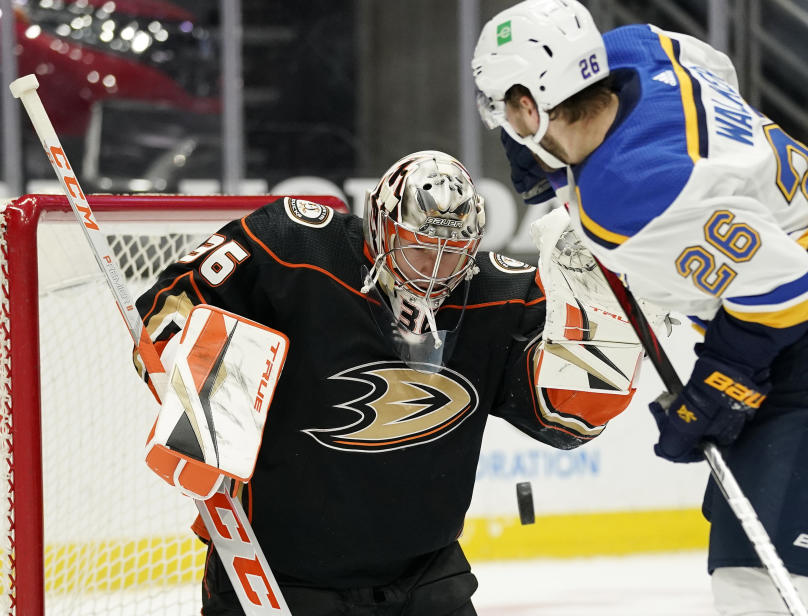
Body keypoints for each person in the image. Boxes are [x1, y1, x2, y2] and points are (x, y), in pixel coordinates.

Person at [471, 0, 808, 615]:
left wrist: (715, 388)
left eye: (503, 109)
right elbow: (715, 72)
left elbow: (787, 292)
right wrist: (738, 175)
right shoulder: (640, 46)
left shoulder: (627, 197)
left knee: (754, 584)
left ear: (526, 103)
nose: (504, 130)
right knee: (744, 526)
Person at [133, 150, 634, 615]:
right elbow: (165, 313)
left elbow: (571, 419)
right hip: (271, 573)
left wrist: (601, 320)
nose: (436, 270)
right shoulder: (292, 247)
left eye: (454, 252)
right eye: (419, 248)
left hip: (424, 577)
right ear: (380, 226)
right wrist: (199, 388)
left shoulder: (499, 294)